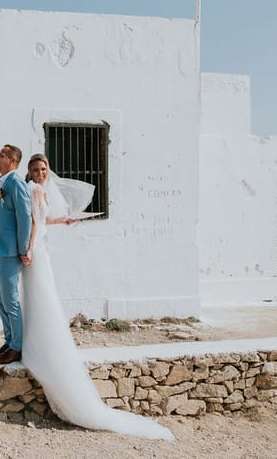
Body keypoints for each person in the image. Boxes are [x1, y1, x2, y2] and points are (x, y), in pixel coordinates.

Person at [22, 153, 174, 440]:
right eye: (35, 169)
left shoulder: (37, 190)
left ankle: (35, 342)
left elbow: (37, 223)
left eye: (43, 169)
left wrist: (56, 225)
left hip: (38, 251)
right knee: (41, 297)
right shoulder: (33, 189)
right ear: (29, 172)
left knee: (40, 297)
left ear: (47, 170)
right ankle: (37, 341)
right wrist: (35, 243)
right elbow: (34, 224)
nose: (40, 173)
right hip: (38, 251)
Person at [0, 144, 33, 365]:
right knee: (0, 300)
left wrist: (23, 249)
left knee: (10, 300)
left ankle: (16, 348)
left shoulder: (17, 184)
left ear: (12, 161)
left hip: (11, 252)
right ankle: (8, 340)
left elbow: (24, 218)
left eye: (1, 156)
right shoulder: (1, 183)